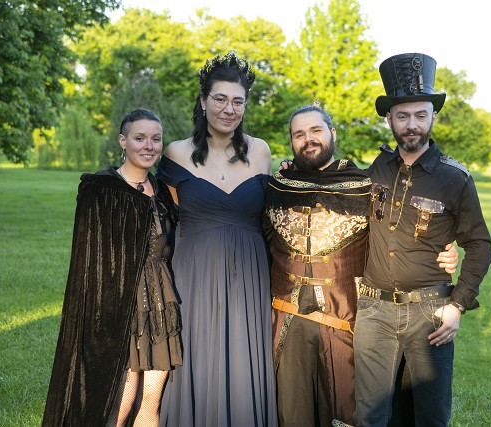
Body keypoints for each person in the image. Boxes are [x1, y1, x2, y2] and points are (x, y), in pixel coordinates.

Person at [264, 104, 459, 427]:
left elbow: (400, 233)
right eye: (299, 134)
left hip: (347, 321)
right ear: (291, 142)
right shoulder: (277, 186)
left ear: (332, 133)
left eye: (316, 131)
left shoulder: (365, 185)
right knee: (292, 410)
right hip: (286, 320)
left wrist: (446, 251)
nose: (308, 139)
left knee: (352, 411)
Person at [353, 53, 491, 427]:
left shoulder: (455, 179)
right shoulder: (377, 169)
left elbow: (480, 245)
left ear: (433, 117)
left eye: (420, 115)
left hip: (430, 313)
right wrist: (292, 169)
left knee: (429, 416)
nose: (411, 125)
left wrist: (458, 305)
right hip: (374, 311)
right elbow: (336, 188)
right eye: (403, 116)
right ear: (389, 120)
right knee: (369, 415)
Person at [157, 51, 278, 426]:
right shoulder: (176, 153)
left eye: (238, 101)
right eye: (220, 99)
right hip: (193, 274)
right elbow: (165, 219)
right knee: (198, 355)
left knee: (244, 362)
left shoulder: (261, 151)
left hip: (249, 278)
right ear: (203, 101)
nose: (229, 109)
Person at [42, 108, 182, 426]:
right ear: (123, 141)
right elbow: (89, 260)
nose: (149, 146)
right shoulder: (102, 190)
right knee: (122, 400)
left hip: (161, 303)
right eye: (140, 138)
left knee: (151, 400)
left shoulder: (164, 193)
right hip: (121, 306)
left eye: (156, 139)